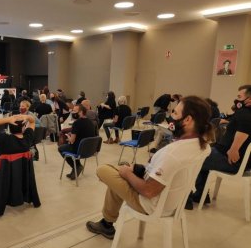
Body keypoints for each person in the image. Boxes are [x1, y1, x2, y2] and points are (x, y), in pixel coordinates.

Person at [86, 96, 213, 239]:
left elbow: (149, 191)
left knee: (103, 170)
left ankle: (107, 223)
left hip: (151, 204)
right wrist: (138, 170)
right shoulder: (203, 145)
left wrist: (128, 174)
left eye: (175, 113)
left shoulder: (173, 153)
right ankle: (106, 223)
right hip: (173, 201)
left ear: (188, 120)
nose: (171, 116)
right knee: (120, 175)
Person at [188, 85, 251, 207]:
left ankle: (185, 197)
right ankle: (201, 194)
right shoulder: (245, 113)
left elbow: (243, 132)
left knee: (192, 157)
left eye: (239, 97)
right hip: (234, 159)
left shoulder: (245, 114)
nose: (237, 100)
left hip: (231, 159)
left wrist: (234, 149)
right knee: (202, 154)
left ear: (248, 98)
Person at [58, 104, 96, 180]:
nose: (73, 112)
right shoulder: (91, 122)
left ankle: (77, 166)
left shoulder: (76, 123)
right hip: (90, 150)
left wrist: (69, 137)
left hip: (80, 150)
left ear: (81, 112)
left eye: (75, 111)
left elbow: (72, 141)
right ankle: (76, 168)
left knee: (60, 148)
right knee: (71, 146)